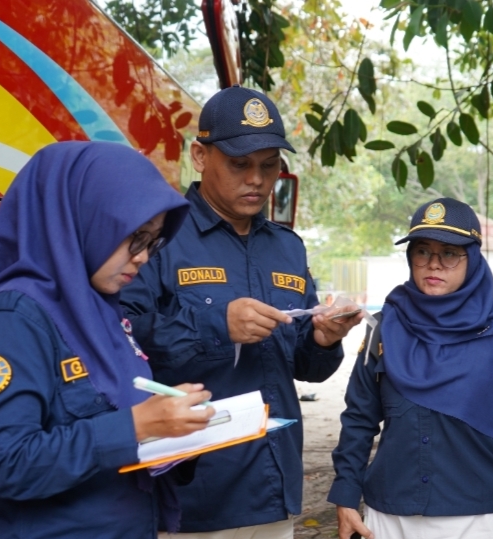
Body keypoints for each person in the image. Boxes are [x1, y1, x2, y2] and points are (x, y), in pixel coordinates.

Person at [120, 85, 363, 538]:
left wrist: (325, 339)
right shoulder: (161, 235)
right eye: (239, 165)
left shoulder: (286, 247)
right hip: (194, 494)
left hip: (274, 484)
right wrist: (218, 327)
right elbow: (122, 344)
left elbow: (304, 366)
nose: (256, 179)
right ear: (199, 155)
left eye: (269, 166)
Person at [0, 141, 216, 538]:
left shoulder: (99, 310)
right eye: (134, 237)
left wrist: (175, 427)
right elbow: (6, 461)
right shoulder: (12, 318)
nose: (142, 257)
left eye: (152, 242)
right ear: (85, 219)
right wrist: (136, 426)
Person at [328, 197, 493, 539]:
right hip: (389, 516)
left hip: (480, 517)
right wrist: (346, 495)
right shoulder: (383, 329)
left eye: (449, 252)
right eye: (422, 251)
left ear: (472, 258)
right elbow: (359, 417)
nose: (434, 264)